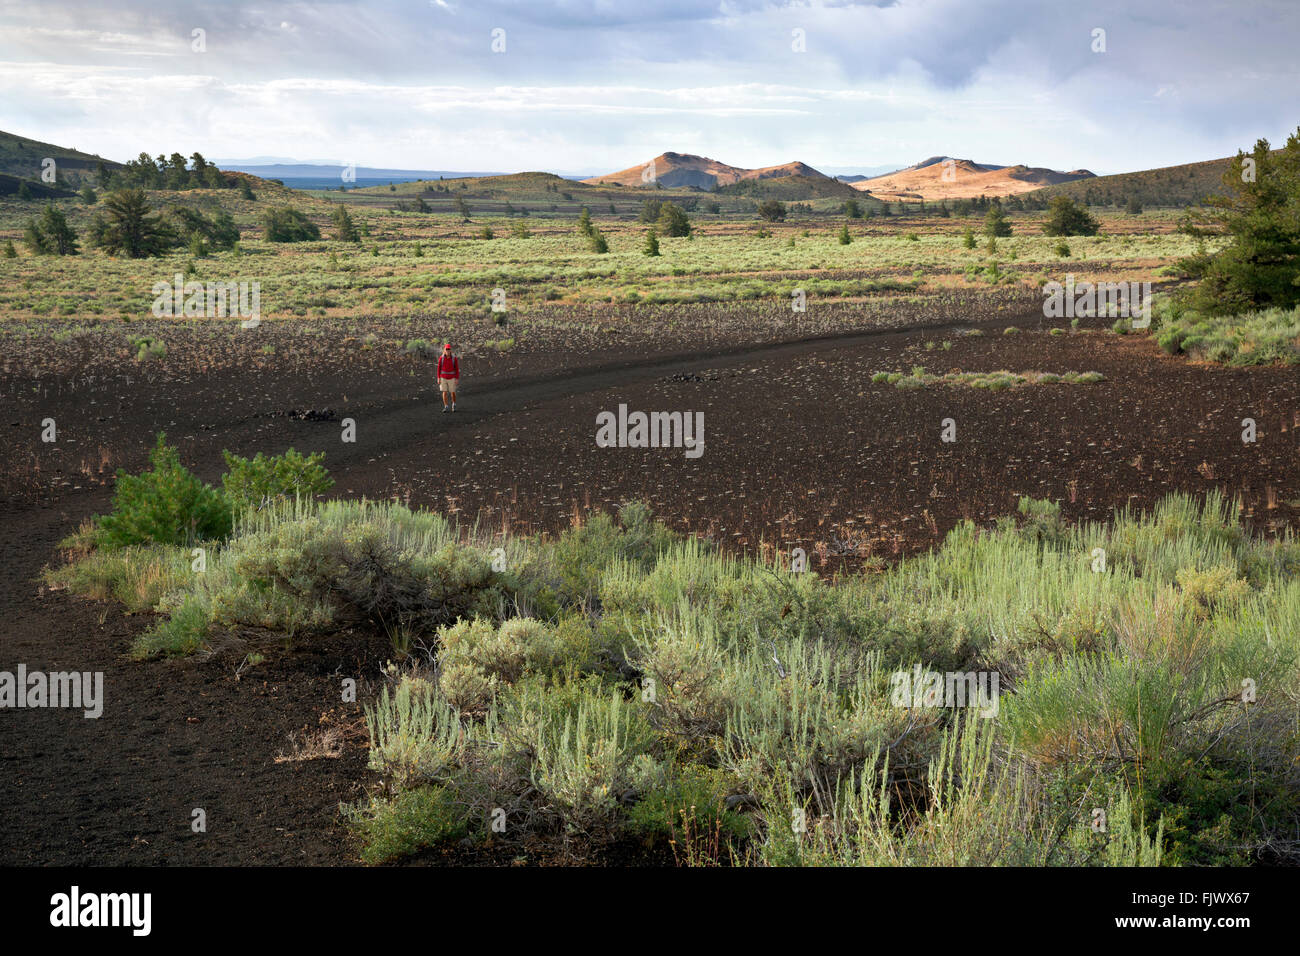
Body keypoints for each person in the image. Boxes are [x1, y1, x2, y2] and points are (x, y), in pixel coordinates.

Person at [437, 343, 460, 412]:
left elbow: (457, 369)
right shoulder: (441, 358)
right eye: (446, 349)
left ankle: (454, 404)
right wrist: (438, 378)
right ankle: (446, 406)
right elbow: (439, 368)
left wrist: (456, 378)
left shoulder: (454, 358)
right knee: (444, 392)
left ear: (450, 350)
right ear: (444, 350)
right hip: (443, 378)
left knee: (452, 392)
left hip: (452, 378)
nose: (447, 350)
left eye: (448, 349)